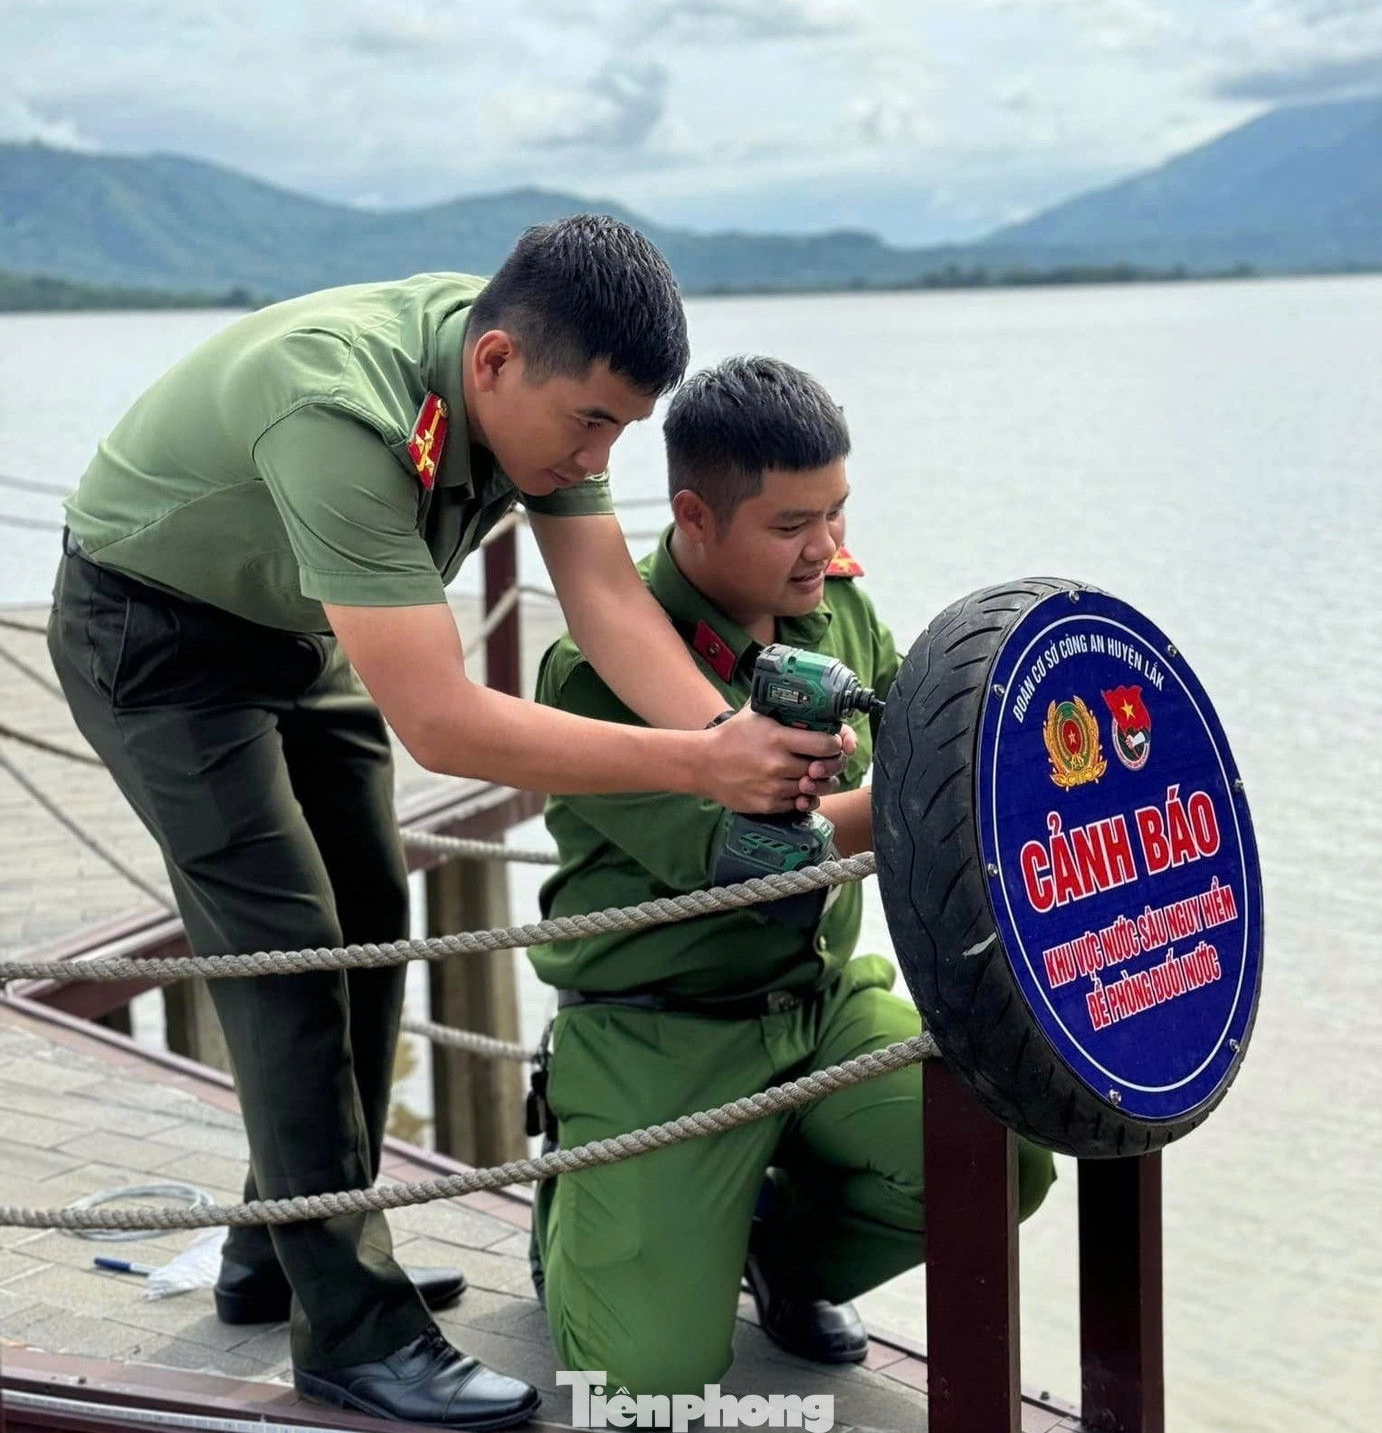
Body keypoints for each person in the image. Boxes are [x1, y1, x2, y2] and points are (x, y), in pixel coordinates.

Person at [47, 222, 850, 1430]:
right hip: (151, 635)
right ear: (494, 367)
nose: (603, 453)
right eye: (593, 426)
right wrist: (699, 762)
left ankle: (282, 1249)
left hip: (291, 624)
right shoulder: (342, 409)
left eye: (624, 431)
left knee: (374, 914)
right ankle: (351, 1329)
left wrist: (746, 755)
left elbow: (607, 603)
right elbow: (441, 721)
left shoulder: (548, 381)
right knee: (293, 945)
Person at [528, 356, 1057, 1394]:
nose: (828, 547)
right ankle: (578, 1200)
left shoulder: (836, 601)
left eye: (837, 512)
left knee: (994, 1158)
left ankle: (781, 1248)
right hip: (661, 1029)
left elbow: (930, 734)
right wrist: (949, 808)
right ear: (693, 515)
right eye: (789, 525)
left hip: (818, 1002)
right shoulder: (596, 668)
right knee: (641, 1383)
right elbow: (768, 857)